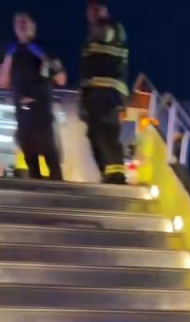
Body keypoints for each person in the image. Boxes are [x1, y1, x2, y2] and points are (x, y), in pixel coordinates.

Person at [0, 12, 66, 181]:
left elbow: (61, 78)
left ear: (33, 26)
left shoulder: (44, 48)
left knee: (48, 150)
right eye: (18, 23)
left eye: (25, 22)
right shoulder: (12, 51)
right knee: (28, 151)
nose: (21, 25)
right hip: (22, 111)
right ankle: (36, 184)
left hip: (41, 109)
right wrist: (8, 57)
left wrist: (43, 56)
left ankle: (57, 185)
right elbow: (3, 82)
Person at [80, 0, 129, 184]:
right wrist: (83, 98)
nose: (93, 13)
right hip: (94, 94)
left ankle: (117, 175)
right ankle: (107, 173)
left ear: (105, 11)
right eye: (91, 10)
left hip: (109, 93)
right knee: (95, 135)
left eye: (97, 9)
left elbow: (106, 35)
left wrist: (97, 27)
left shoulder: (112, 28)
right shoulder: (90, 40)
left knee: (107, 133)